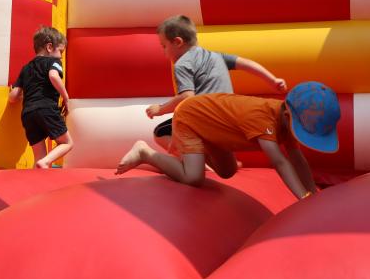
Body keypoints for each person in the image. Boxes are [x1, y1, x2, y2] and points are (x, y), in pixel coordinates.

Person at [117, 81, 340, 200]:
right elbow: (280, 161)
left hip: (215, 130)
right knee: (193, 177)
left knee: (227, 172)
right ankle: (145, 152)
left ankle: (194, 153)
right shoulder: (262, 118)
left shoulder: (286, 121)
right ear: (288, 115)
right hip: (192, 117)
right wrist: (303, 197)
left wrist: (314, 195)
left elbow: (297, 157)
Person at [147, 15, 287, 150]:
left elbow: (187, 98)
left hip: (206, 119)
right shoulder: (216, 56)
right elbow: (246, 63)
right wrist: (272, 80)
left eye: (164, 46)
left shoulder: (182, 64)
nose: (163, 51)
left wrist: (160, 109)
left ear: (177, 42)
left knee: (160, 133)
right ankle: (208, 159)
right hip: (227, 119)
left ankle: (192, 160)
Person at [9, 26, 73, 169]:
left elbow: (13, 97)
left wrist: (18, 92)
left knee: (39, 158)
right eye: (61, 51)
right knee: (67, 143)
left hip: (28, 114)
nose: (61, 56)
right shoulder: (54, 62)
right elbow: (53, 76)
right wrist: (66, 98)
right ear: (49, 47)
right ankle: (45, 162)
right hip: (46, 109)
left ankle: (40, 175)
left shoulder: (26, 68)